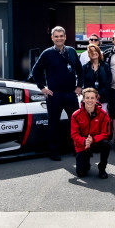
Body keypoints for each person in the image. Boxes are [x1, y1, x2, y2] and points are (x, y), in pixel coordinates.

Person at [29, 26, 84, 161]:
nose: (59, 38)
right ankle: (53, 151)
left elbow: (80, 69)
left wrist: (79, 86)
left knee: (75, 122)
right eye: (56, 36)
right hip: (55, 95)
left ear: (65, 37)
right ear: (52, 38)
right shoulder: (47, 53)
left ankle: (77, 148)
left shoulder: (71, 51)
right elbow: (35, 71)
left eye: (61, 36)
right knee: (53, 124)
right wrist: (42, 88)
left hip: (71, 94)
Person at [71, 88, 111, 179]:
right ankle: (86, 160)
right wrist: (84, 141)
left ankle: (102, 168)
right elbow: (74, 134)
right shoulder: (76, 115)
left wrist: (93, 139)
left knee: (106, 144)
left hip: (96, 142)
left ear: (96, 99)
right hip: (82, 144)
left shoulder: (103, 114)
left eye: (92, 98)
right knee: (81, 173)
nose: (90, 100)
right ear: (83, 99)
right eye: (87, 98)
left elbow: (106, 133)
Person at [82, 45, 112, 111]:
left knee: (102, 116)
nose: (93, 53)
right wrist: (92, 94)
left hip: (103, 97)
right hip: (89, 98)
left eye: (95, 51)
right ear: (89, 54)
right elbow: (84, 82)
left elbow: (109, 82)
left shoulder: (106, 66)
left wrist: (100, 93)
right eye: (91, 51)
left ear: (98, 52)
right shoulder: (85, 67)